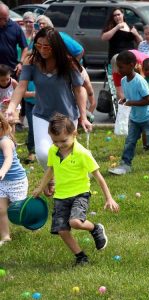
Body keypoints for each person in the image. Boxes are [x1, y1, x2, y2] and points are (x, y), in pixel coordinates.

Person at [5, 27, 92, 195]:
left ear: (56, 46)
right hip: (42, 115)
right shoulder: (31, 61)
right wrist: (11, 107)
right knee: (44, 154)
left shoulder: (68, 62)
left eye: (47, 47)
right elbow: (21, 86)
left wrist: (83, 116)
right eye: (39, 45)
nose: (42, 50)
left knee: (67, 153)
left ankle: (72, 185)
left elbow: (79, 89)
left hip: (67, 116)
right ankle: (52, 179)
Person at [32, 114, 119, 266]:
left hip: (80, 194)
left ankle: (95, 228)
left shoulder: (82, 153)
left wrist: (109, 198)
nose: (59, 144)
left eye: (63, 141)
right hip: (60, 196)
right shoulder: (53, 151)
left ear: (74, 134)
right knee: (62, 230)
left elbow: (98, 177)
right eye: (55, 141)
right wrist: (41, 187)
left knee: (75, 222)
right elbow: (50, 170)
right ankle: (81, 256)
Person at [108, 50, 149, 175]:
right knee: (130, 141)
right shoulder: (123, 81)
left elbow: (147, 100)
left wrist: (130, 103)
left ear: (132, 65)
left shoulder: (140, 81)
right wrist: (125, 100)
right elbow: (131, 96)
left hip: (148, 117)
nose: (119, 70)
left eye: (121, 67)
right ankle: (125, 165)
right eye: (118, 67)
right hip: (135, 118)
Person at [101, 8, 143, 101]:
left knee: (133, 79)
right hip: (116, 58)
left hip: (130, 57)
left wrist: (136, 34)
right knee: (119, 81)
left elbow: (140, 41)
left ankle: (134, 97)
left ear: (123, 15)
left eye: (118, 14)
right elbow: (104, 37)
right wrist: (116, 28)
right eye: (115, 15)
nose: (117, 17)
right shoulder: (111, 26)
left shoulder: (130, 26)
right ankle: (122, 100)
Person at [0, 113, 28, 246]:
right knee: (1, 209)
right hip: (1, 182)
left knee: (18, 211)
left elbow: (8, 159)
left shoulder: (4, 141)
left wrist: (2, 171)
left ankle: (33, 219)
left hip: (16, 181)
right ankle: (5, 236)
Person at [0, 3, 27, 78]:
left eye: (5, 19)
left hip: (11, 70)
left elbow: (25, 47)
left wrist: (21, 63)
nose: (2, 22)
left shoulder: (15, 27)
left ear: (8, 15)